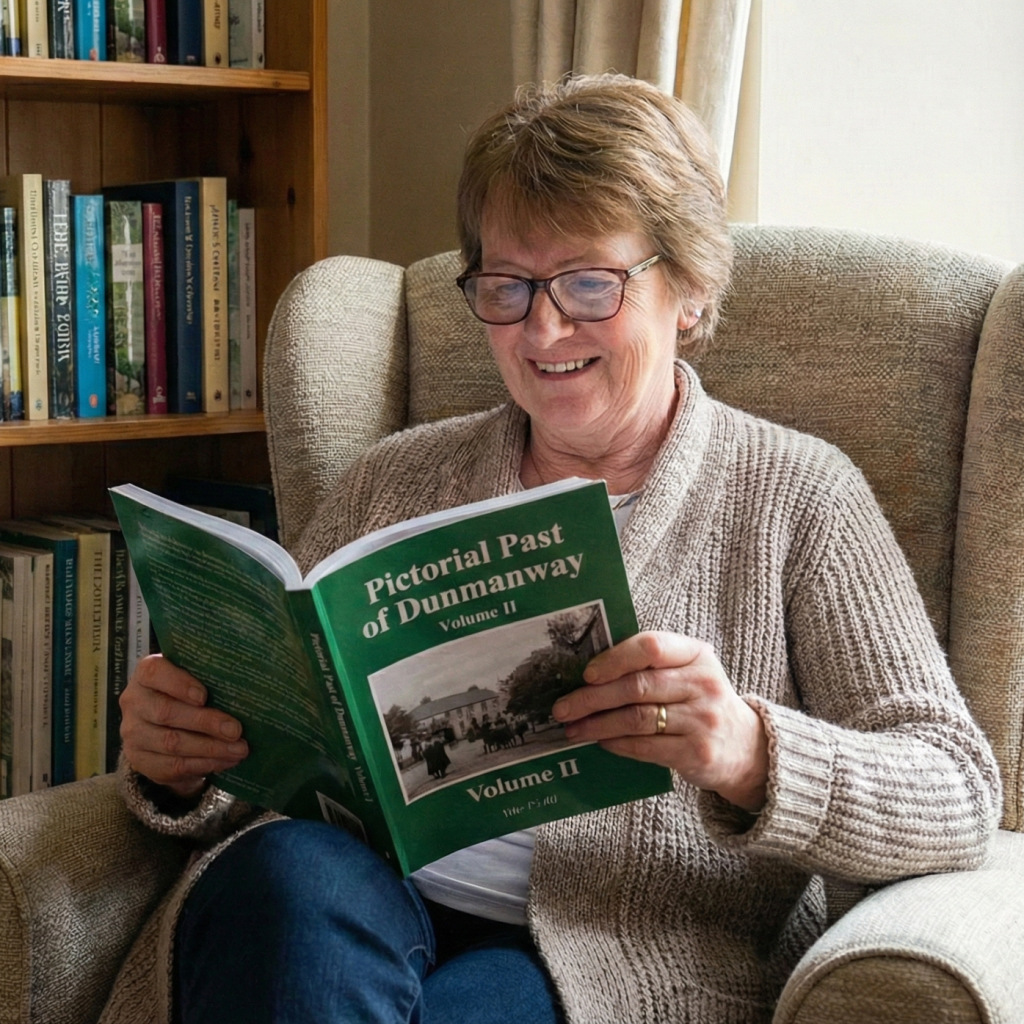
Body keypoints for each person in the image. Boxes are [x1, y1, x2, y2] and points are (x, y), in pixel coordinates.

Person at [115, 74, 1001, 1024]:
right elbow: (287, 740)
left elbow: (956, 786)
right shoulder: (394, 478)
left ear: (689, 288)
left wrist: (748, 750)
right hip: (353, 896)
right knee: (284, 879)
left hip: (610, 960)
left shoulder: (798, 496)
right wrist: (183, 760)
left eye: (589, 283)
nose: (543, 329)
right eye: (508, 285)